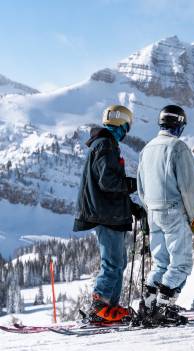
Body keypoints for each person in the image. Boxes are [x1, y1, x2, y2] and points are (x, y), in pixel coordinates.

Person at [137, 104, 194, 324]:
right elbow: (189, 186)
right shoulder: (177, 147)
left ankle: (147, 306)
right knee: (181, 263)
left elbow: (141, 186)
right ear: (180, 124)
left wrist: (149, 209)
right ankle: (164, 308)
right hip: (173, 209)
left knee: (161, 263)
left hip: (153, 211)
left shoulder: (147, 149)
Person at [73, 105, 139, 323]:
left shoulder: (107, 144)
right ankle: (99, 305)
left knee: (119, 261)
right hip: (106, 214)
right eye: (127, 125)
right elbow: (108, 181)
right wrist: (133, 184)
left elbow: (110, 184)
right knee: (112, 262)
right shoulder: (105, 144)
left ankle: (110, 307)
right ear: (123, 123)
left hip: (111, 212)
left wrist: (131, 207)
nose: (127, 131)